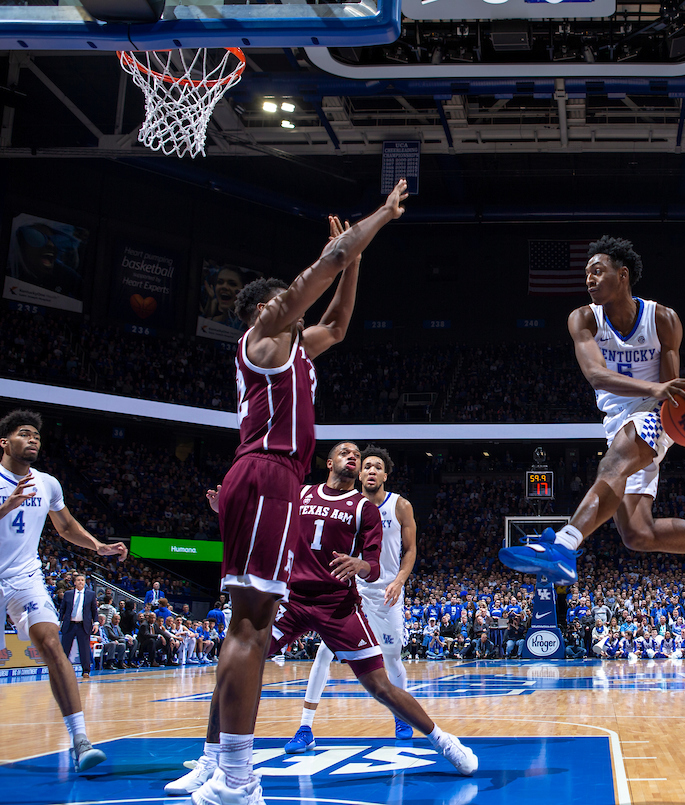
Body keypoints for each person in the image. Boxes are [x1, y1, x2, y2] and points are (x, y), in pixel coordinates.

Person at [195, 184, 410, 805]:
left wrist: (358, 260)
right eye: (285, 307)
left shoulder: (296, 354)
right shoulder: (264, 338)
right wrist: (378, 221)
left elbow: (338, 325)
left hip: (274, 481)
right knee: (249, 629)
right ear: (264, 312)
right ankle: (233, 778)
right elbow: (329, 262)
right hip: (265, 473)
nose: (297, 316)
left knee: (252, 627)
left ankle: (227, 773)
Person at [169, 442, 476, 798]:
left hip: (338, 606)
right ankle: (209, 763)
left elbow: (375, 565)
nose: (353, 458)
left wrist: (361, 565)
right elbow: (260, 522)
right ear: (330, 462)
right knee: (234, 667)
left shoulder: (365, 509)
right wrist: (224, 508)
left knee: (380, 685)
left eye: (357, 456)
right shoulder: (300, 494)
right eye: (346, 453)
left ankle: (444, 741)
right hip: (292, 600)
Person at [499, 236, 685, 590]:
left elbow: (671, 389)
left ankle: (563, 546)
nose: (589, 280)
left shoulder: (663, 319)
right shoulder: (583, 319)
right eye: (586, 274)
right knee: (638, 534)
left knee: (612, 465)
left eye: (598, 271)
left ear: (622, 275)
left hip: (656, 413)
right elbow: (596, 375)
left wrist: (684, 421)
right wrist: (653, 388)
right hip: (618, 419)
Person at [0, 409, 128, 771]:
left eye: (37, 436)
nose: (34, 440)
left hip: (25, 577)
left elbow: (66, 526)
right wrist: (5, 507)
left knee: (52, 642)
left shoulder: (48, 483)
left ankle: (80, 739)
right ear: (5, 442)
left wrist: (98, 546)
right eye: (25, 434)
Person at [283, 444, 419, 748]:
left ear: (386, 474)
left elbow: (410, 551)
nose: (371, 470)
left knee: (392, 657)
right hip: (351, 591)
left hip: (387, 591)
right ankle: (305, 729)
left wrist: (398, 581)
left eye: (377, 467)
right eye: (367, 466)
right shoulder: (349, 505)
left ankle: (400, 714)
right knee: (323, 654)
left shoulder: (400, 506)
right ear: (359, 474)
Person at [59, 572, 99, 679]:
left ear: (85, 582)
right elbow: (62, 609)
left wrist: (96, 623)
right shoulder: (68, 594)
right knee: (65, 648)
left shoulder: (90, 594)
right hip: (69, 624)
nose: (80, 582)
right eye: (78, 580)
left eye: (82, 580)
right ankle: (61, 670)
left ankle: (85, 671)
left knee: (84, 649)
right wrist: (59, 622)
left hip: (83, 625)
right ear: (75, 582)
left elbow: (94, 610)